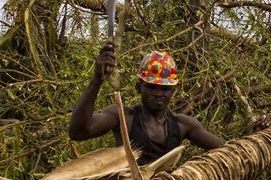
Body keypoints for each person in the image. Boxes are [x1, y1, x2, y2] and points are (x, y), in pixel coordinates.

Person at [69, 43, 224, 164]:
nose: (158, 93)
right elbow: (79, 132)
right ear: (139, 87)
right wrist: (97, 79)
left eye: (165, 88)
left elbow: (227, 151)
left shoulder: (184, 125)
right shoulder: (123, 117)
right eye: (151, 87)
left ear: (173, 91)